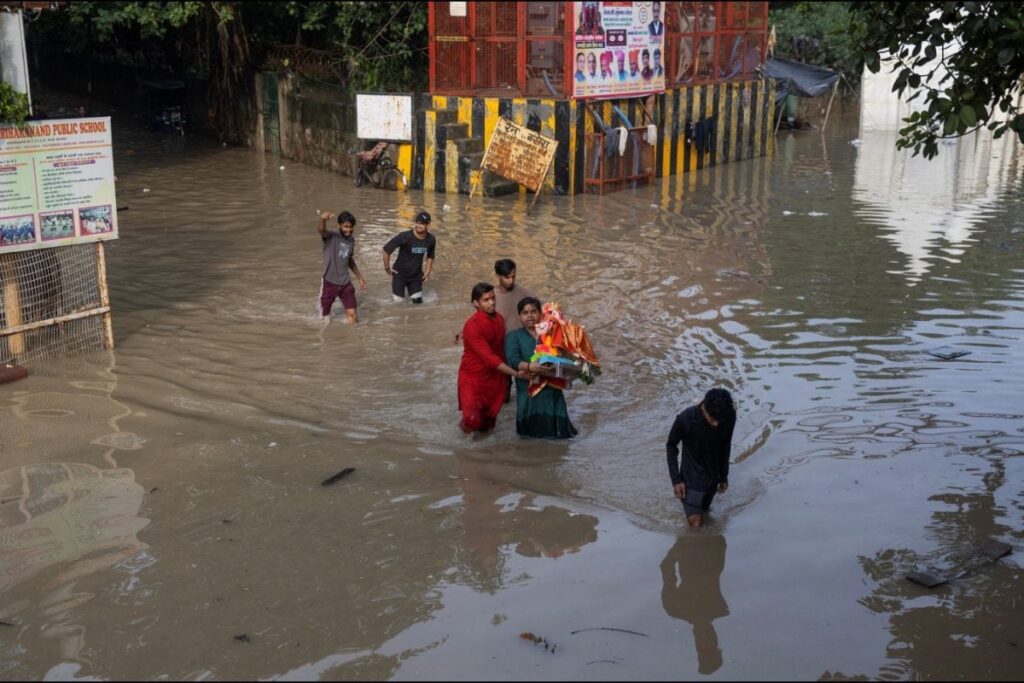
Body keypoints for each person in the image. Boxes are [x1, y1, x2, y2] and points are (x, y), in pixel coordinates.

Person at [505, 297, 578, 439]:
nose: (530, 315)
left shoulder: (551, 334)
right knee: (531, 438)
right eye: (525, 313)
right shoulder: (514, 337)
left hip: (553, 389)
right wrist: (530, 367)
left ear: (540, 314)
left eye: (533, 311)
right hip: (529, 391)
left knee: (562, 437)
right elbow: (513, 360)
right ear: (519, 316)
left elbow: (567, 356)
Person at [665, 388, 736, 527]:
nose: (716, 424)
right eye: (713, 419)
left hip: (712, 474)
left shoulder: (728, 416)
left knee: (705, 511)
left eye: (719, 420)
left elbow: (726, 444)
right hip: (691, 475)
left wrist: (723, 476)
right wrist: (676, 480)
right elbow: (671, 446)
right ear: (704, 408)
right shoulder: (685, 419)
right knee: (696, 524)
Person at [457, 283, 523, 433]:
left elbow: (503, 347)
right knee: (472, 421)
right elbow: (489, 358)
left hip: (495, 378)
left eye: (493, 298)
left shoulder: (499, 319)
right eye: (486, 300)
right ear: (476, 303)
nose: (492, 302)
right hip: (474, 379)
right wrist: (517, 374)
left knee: (488, 424)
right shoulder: (472, 326)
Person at [317, 210, 367, 323]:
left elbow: (349, 260)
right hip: (329, 283)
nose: (348, 230)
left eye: (350, 227)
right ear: (339, 225)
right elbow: (321, 230)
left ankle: (353, 339)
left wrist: (359, 277)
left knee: (353, 316)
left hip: (345, 283)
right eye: (345, 226)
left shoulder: (351, 240)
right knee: (325, 321)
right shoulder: (331, 236)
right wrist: (323, 219)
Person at [382, 211, 435, 304]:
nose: (418, 225)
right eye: (417, 222)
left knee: (418, 304)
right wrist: (387, 268)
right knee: (398, 304)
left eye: (422, 223)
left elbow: (430, 256)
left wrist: (427, 271)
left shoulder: (431, 239)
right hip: (399, 275)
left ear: (428, 224)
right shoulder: (404, 236)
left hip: (416, 276)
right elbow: (386, 250)